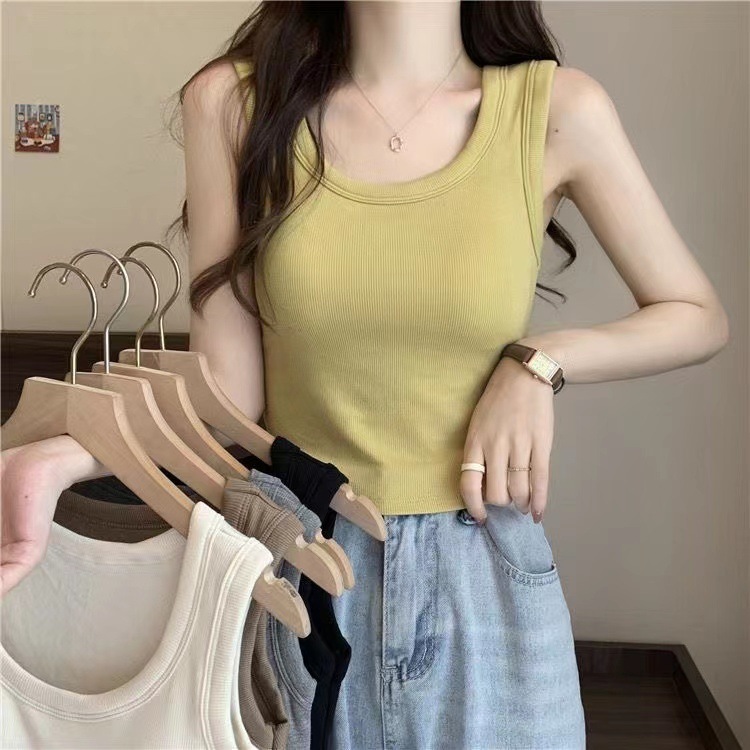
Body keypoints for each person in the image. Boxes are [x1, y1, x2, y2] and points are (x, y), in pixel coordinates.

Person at [1, 2, 730, 747]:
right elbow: (227, 395)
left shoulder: (555, 110)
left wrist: (540, 364)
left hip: (486, 576)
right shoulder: (233, 105)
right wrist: (62, 456)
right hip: (302, 574)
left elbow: (696, 314)